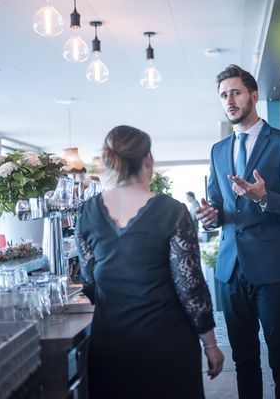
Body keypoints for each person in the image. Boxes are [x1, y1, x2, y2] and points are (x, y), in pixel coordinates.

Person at [76, 125, 224, 398]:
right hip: (167, 344)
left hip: (111, 346)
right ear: (148, 160)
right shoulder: (172, 211)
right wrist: (210, 344)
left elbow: (89, 281)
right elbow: (190, 286)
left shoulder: (87, 212)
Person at [197, 65, 280, 398]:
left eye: (235, 92)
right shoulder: (218, 152)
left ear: (254, 96)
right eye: (223, 95)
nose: (229, 101)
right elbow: (219, 207)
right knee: (245, 361)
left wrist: (265, 198)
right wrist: (209, 216)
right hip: (230, 271)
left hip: (272, 270)